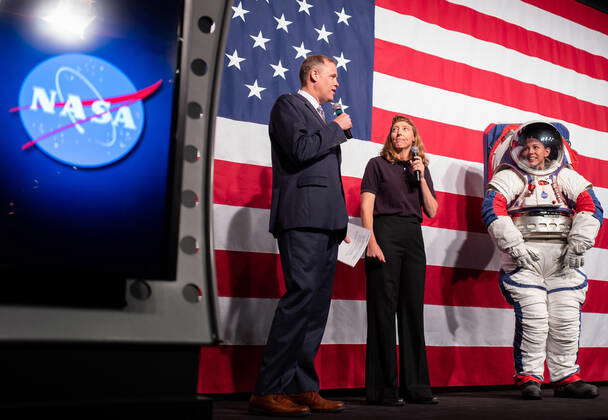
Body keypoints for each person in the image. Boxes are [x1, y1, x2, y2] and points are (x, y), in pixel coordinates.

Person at [248, 55, 353, 417]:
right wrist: (337, 127)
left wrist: (340, 221)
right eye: (332, 76)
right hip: (301, 220)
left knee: (315, 309)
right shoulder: (288, 105)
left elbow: (324, 176)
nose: (336, 83)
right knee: (300, 300)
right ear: (313, 75)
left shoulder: (321, 117)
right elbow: (300, 151)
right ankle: (267, 389)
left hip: (325, 223)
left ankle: (302, 387)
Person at [482, 121, 603, 400]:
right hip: (525, 258)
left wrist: (578, 244)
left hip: (563, 259)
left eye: (535, 147)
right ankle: (530, 377)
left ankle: (565, 377)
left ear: (549, 150)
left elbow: (591, 206)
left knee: (566, 318)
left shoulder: (566, 176)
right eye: (526, 146)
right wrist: (514, 246)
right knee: (535, 319)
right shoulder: (511, 175)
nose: (529, 152)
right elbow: (493, 208)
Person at [360, 115, 439, 405]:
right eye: (395, 129)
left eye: (405, 129)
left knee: (411, 311)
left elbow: (431, 210)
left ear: (414, 137)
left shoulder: (420, 168)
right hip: (384, 233)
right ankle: (383, 391)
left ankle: (416, 387)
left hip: (412, 236)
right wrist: (370, 241)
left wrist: (421, 178)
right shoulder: (377, 165)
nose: (398, 133)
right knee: (383, 311)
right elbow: (366, 203)